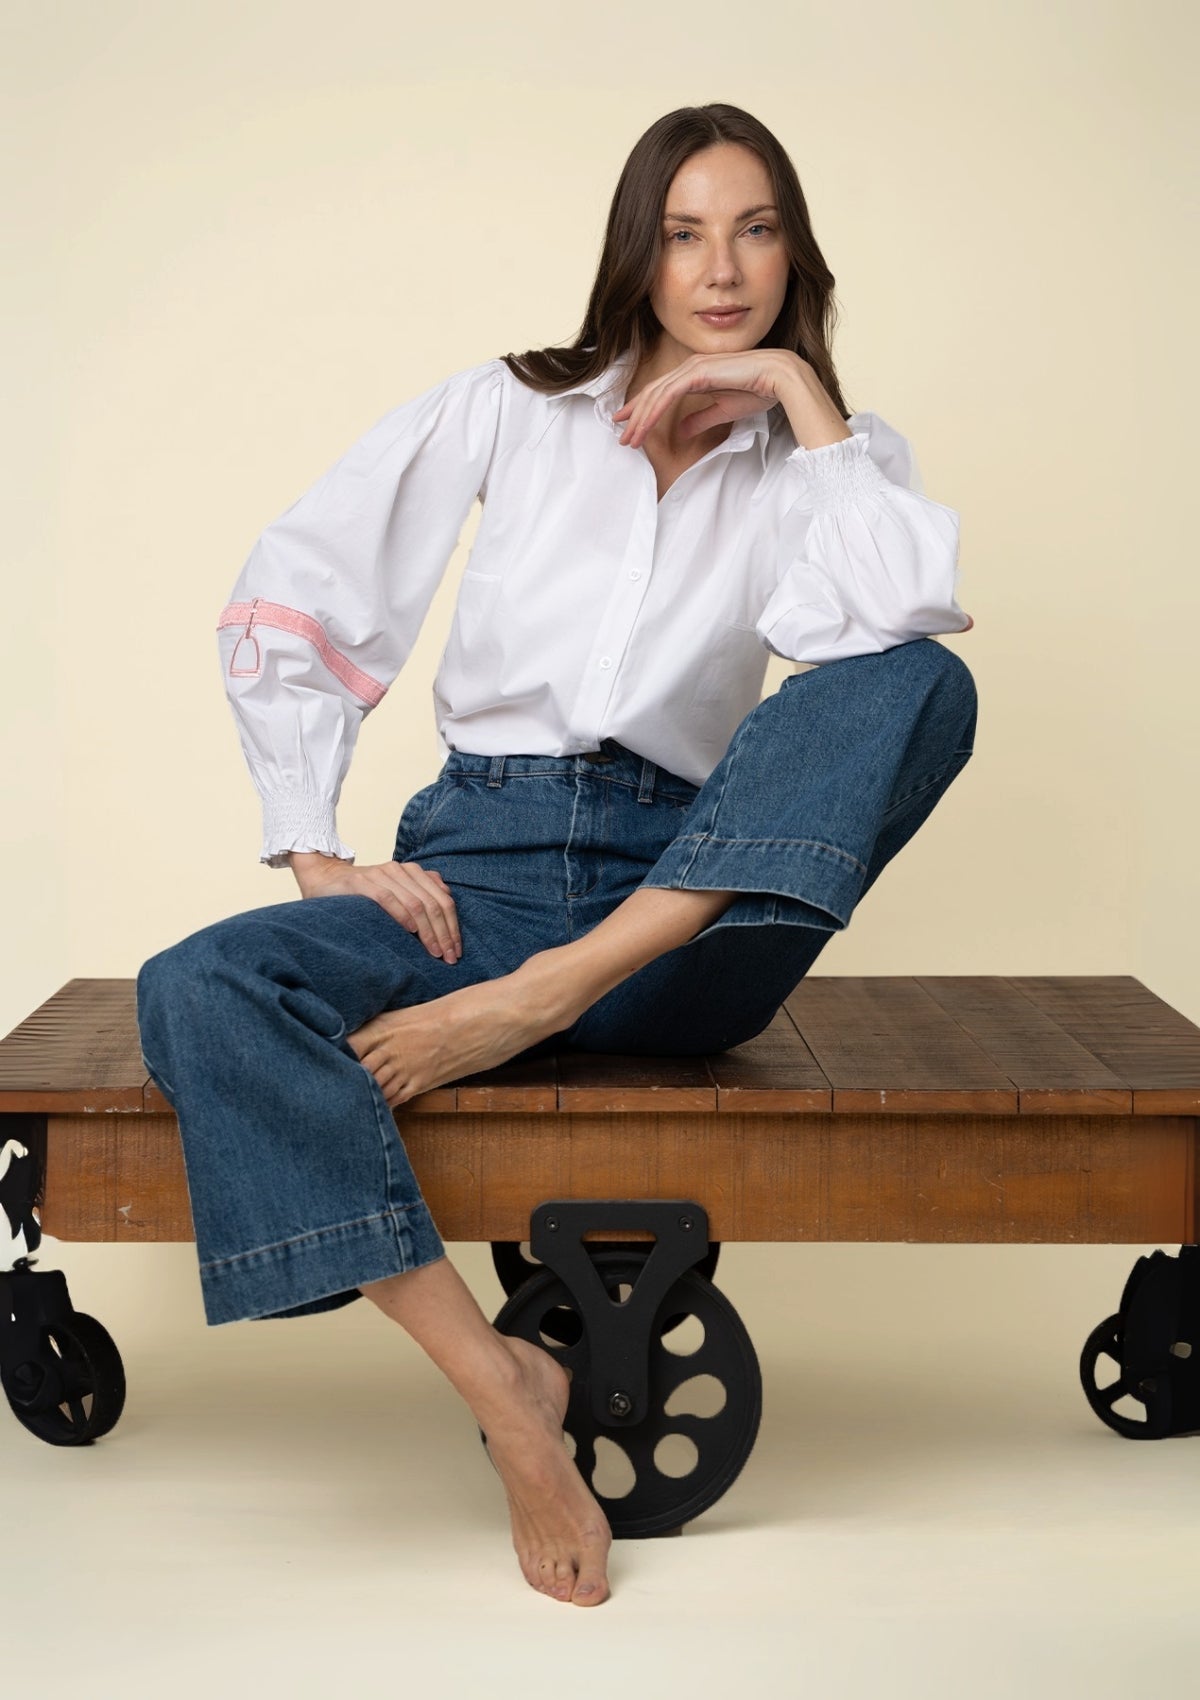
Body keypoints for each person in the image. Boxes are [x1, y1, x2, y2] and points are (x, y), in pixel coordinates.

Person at [136, 102, 978, 1609]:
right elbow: (304, 586)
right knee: (197, 990)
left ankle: (548, 997)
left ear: (797, 250)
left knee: (925, 677)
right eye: (685, 232)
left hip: (687, 908)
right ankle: (500, 1388)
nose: (723, 268)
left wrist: (792, 387)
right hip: (485, 870)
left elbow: (891, 637)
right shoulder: (514, 407)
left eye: (759, 228)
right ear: (636, 252)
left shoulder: (828, 458)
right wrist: (317, 850)